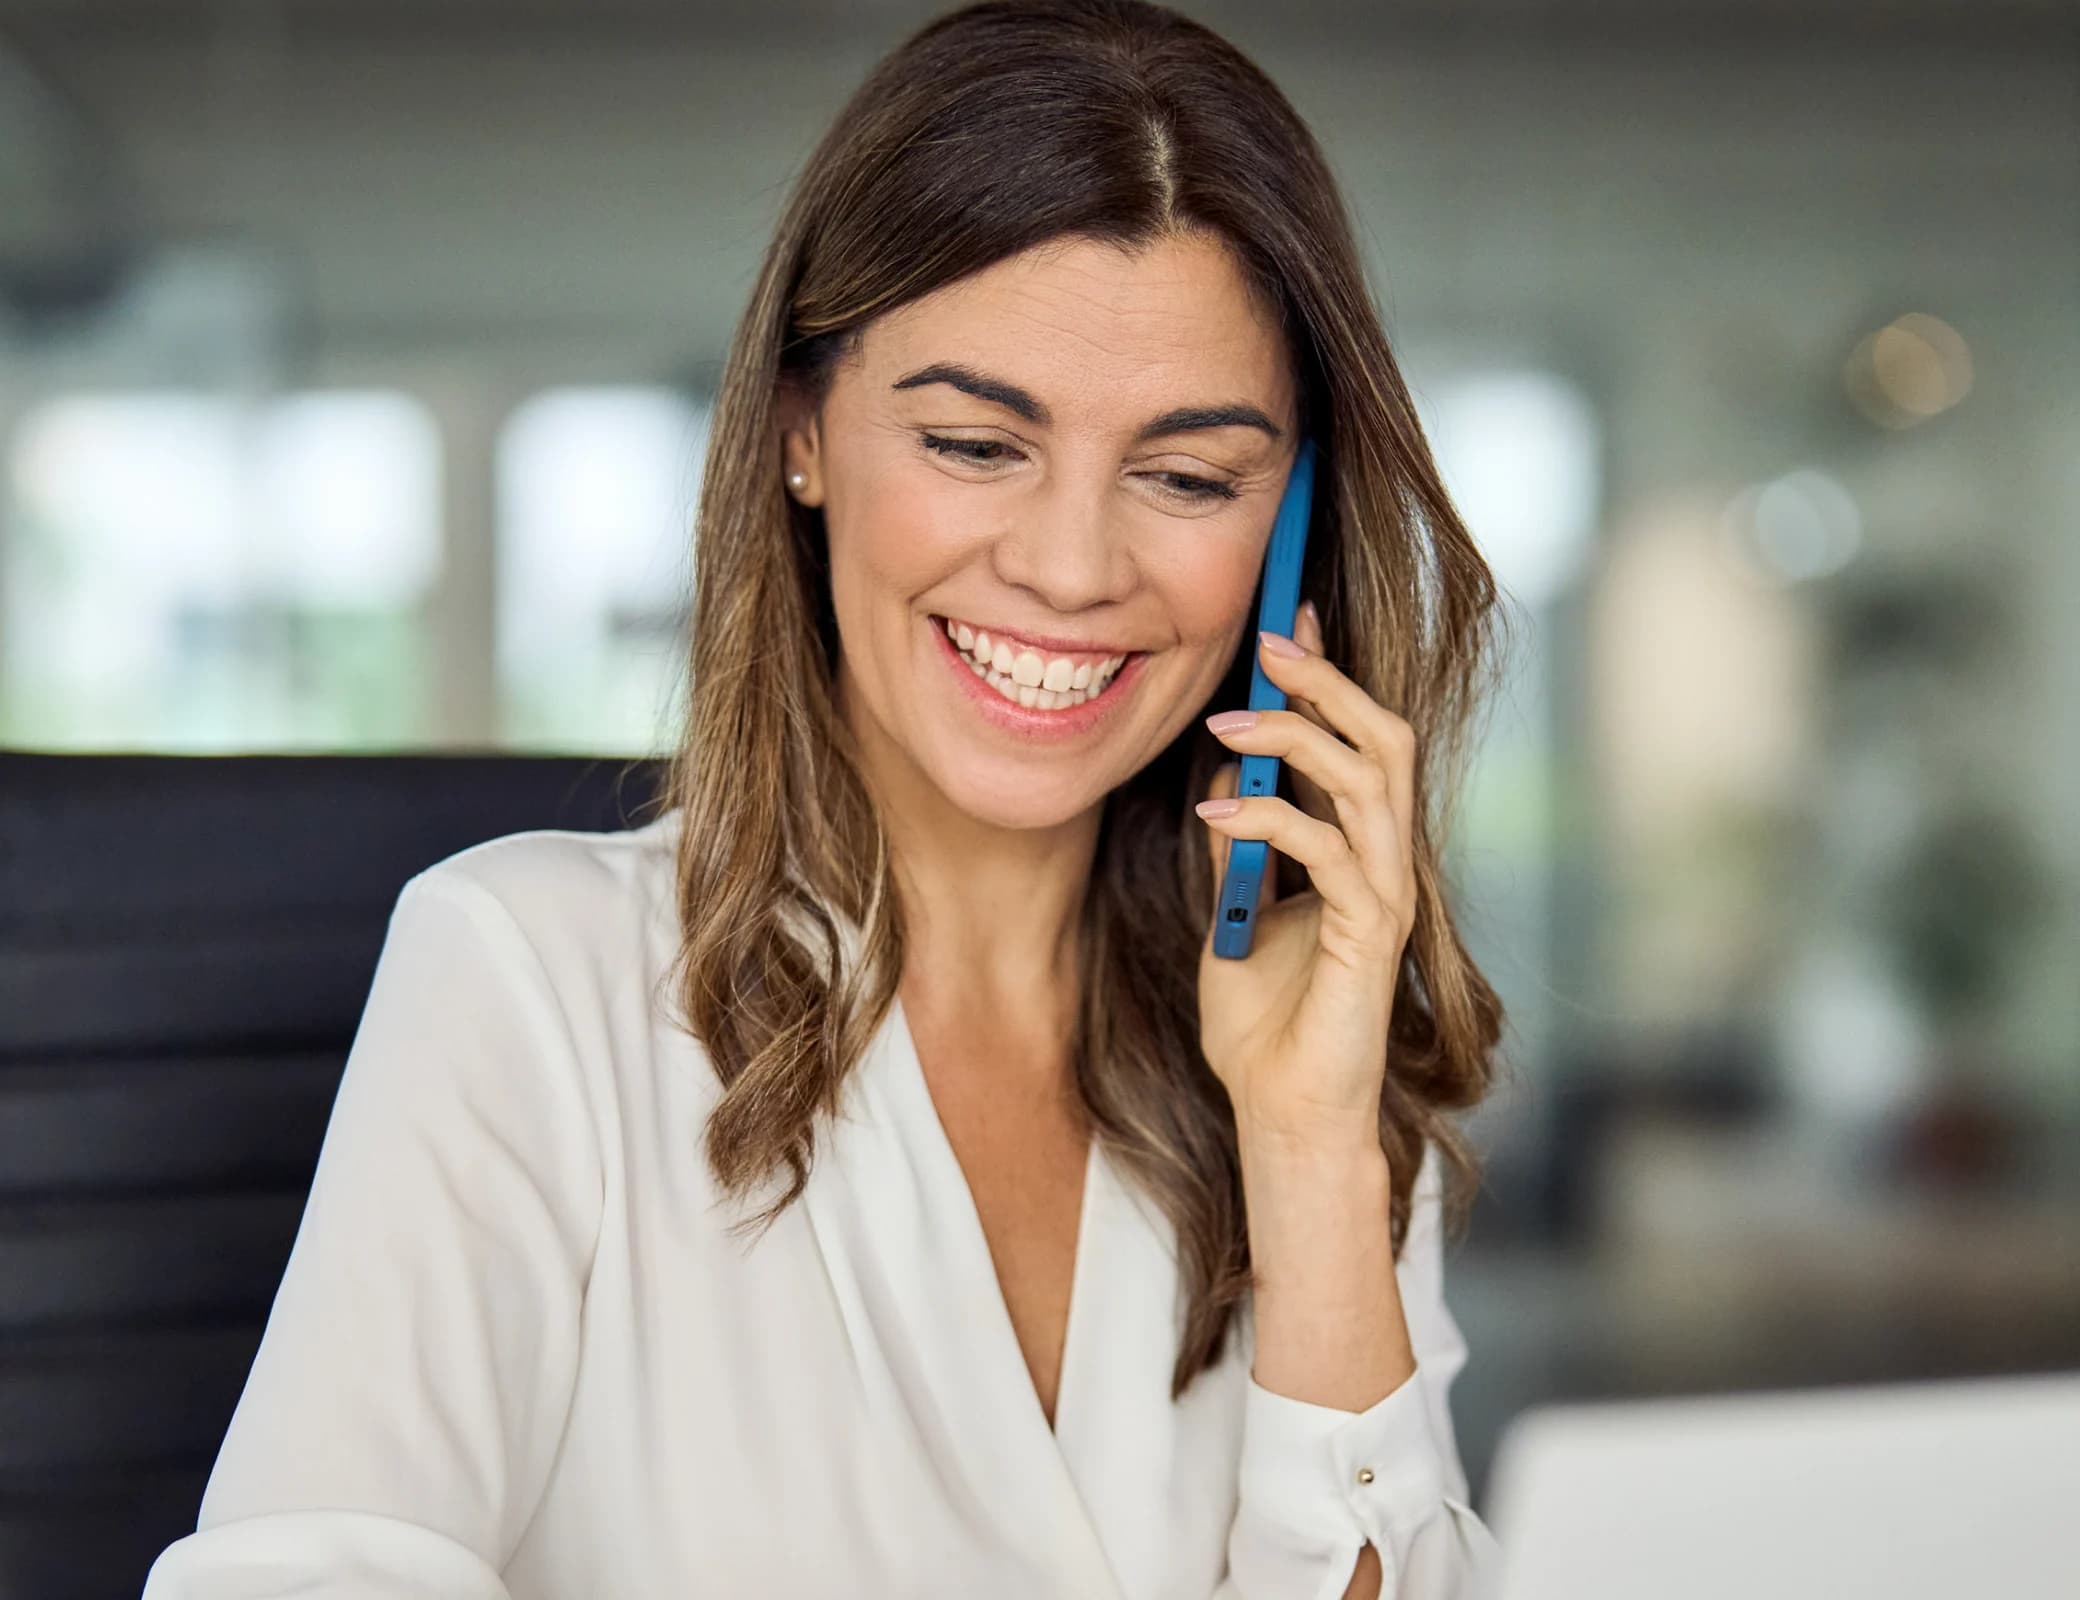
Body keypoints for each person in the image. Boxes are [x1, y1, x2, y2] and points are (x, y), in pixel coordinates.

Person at [143, 1, 1513, 1595]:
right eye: (974, 443)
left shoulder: (1313, 1070)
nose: (1072, 567)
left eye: (1189, 477)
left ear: (1288, 526)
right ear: (804, 434)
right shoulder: (532, 979)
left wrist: (1310, 1154)